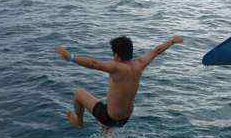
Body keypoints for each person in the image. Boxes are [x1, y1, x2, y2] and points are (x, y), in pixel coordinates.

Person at [55, 35, 183, 129]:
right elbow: (157, 51)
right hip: (125, 119)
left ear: (116, 55)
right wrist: (172, 41)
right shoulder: (140, 64)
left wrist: (70, 57)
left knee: (79, 93)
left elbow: (93, 64)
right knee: (109, 101)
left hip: (110, 117)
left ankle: (79, 122)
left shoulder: (116, 67)